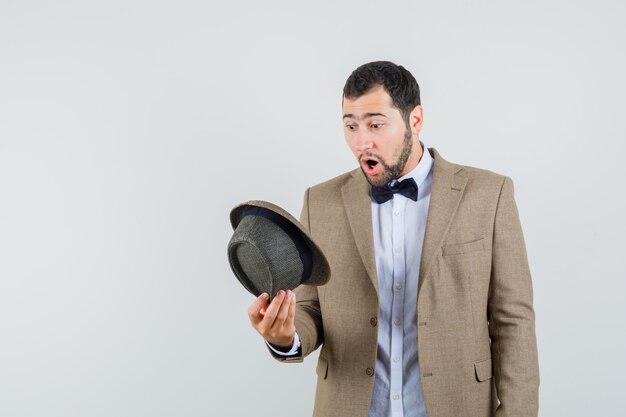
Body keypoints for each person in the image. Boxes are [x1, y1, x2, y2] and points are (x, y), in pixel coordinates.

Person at [246, 61, 539, 417]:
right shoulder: (320, 202)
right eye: (350, 126)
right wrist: (285, 337)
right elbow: (310, 308)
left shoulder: (488, 195)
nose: (361, 141)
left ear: (415, 120)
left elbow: (514, 322)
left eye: (375, 124)